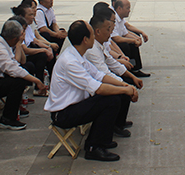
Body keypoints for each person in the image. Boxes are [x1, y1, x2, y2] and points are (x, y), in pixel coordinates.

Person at [44, 20, 139, 162]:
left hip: (75, 105)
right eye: (92, 34)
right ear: (85, 39)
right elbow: (98, 88)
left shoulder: (78, 55)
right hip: (63, 113)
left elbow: (99, 75)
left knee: (115, 96)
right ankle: (93, 148)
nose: (94, 37)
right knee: (110, 100)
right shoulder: (70, 62)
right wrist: (125, 90)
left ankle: (103, 140)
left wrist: (125, 85)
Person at [0, 19, 48, 130]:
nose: (23, 36)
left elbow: (19, 62)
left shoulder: (2, 43)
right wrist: (37, 81)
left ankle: (14, 109)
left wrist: (19, 45)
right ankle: (8, 119)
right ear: (15, 38)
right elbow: (13, 69)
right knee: (18, 81)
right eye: (22, 34)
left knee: (21, 75)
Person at [85, 13, 141, 136]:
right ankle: (114, 126)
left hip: (98, 81)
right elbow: (104, 74)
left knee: (127, 84)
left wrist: (131, 77)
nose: (110, 33)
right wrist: (125, 85)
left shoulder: (99, 44)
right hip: (93, 87)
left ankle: (118, 122)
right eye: (108, 29)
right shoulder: (92, 49)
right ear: (98, 31)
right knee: (118, 95)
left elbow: (112, 62)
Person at [111, 0, 150, 78]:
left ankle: (135, 69)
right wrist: (133, 40)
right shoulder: (113, 19)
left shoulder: (121, 19)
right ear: (119, 8)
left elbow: (125, 33)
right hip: (113, 44)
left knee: (133, 40)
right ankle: (127, 70)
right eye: (127, 8)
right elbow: (116, 38)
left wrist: (136, 38)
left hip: (118, 40)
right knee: (126, 44)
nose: (129, 10)